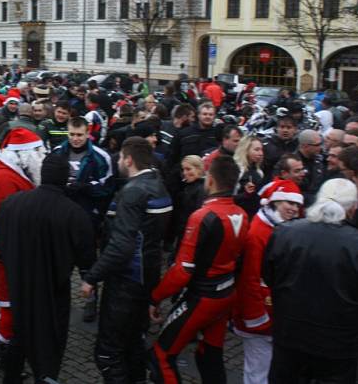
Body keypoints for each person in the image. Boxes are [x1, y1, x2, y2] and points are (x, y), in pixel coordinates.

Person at [263, 179, 358, 383]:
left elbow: (270, 275)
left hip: (291, 335)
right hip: (339, 344)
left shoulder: (285, 232)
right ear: (353, 208)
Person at [149, 156, 250, 384]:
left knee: (160, 356)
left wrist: (155, 297)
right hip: (226, 294)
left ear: (210, 180)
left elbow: (182, 270)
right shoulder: (242, 214)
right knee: (209, 355)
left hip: (203, 297)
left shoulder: (202, 216)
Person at [0, 154, 95, 383]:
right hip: (52, 295)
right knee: (49, 348)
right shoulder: (74, 214)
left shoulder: (11, 204)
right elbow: (87, 261)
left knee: (19, 336)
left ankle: (11, 377)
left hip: (19, 287)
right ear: (66, 179)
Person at [81, 137, 172, 384]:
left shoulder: (133, 192)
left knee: (108, 353)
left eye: (121, 157)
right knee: (133, 346)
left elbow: (122, 245)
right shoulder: (157, 183)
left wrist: (92, 277)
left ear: (129, 159)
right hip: (146, 279)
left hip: (126, 284)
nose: (119, 161)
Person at [0, 127, 45, 372]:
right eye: (37, 152)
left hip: (13, 252)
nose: (41, 157)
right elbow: (16, 223)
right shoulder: (5, 178)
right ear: (23, 154)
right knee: (10, 306)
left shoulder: (10, 171)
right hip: (8, 255)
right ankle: (9, 356)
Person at [233, 179, 303, 384]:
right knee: (258, 371)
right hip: (261, 315)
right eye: (288, 203)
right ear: (274, 202)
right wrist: (256, 317)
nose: (293, 208)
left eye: (296, 204)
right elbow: (250, 279)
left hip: (275, 313)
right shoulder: (258, 233)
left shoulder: (281, 228)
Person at [53, 116, 113, 323]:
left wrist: (86, 188)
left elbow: (107, 187)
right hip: (61, 217)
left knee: (87, 263)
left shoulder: (99, 156)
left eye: (80, 135)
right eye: (72, 134)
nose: (76, 139)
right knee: (60, 261)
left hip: (87, 218)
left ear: (88, 133)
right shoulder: (57, 153)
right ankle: (59, 300)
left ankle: (90, 301)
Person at [233, 135, 266, 218]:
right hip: (237, 215)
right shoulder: (236, 169)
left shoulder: (259, 172)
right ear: (246, 150)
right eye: (256, 150)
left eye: (261, 150)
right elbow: (228, 197)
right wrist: (245, 194)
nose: (261, 153)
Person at [295, 129, 324, 205]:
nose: (320, 148)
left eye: (321, 144)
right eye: (317, 145)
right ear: (305, 146)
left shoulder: (319, 160)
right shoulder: (292, 162)